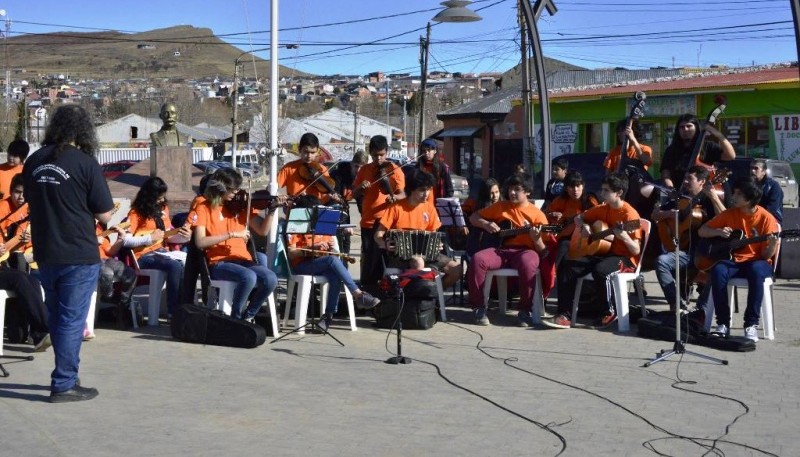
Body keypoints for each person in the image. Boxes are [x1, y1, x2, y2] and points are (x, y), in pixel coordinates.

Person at [22, 104, 116, 403]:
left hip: (46, 249)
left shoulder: (33, 161)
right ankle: (64, 383)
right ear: (84, 130)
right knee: (71, 320)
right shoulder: (86, 163)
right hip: (77, 251)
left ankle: (66, 377)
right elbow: (104, 214)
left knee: (58, 316)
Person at [543, 173, 644, 329]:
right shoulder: (602, 208)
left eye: (606, 190)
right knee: (568, 266)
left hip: (625, 258)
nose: (601, 193)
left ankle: (608, 312)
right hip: (604, 254)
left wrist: (625, 237)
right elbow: (578, 218)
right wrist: (586, 227)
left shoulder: (630, 215)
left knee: (601, 270)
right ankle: (564, 315)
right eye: (602, 189)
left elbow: (636, 249)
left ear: (618, 193)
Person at [193, 168, 282, 321]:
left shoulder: (240, 207)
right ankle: (236, 317)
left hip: (243, 259)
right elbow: (200, 242)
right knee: (248, 277)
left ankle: (249, 315)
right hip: (219, 262)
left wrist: (271, 212)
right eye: (232, 189)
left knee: (271, 278)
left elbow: (262, 231)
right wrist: (232, 234)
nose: (236, 192)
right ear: (220, 188)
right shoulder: (204, 208)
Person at [698, 177, 778, 342]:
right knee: (718, 270)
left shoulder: (766, 218)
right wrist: (718, 232)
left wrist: (771, 244)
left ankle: (751, 324)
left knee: (756, 271)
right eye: (734, 192)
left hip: (758, 262)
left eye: (738, 194)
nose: (733, 196)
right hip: (734, 261)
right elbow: (702, 231)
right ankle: (723, 324)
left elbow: (766, 256)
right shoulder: (730, 214)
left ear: (749, 200)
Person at [467, 173, 553, 326]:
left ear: (527, 192)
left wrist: (537, 239)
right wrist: (486, 224)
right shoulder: (501, 206)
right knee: (478, 259)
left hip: (525, 252)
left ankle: (525, 310)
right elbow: (473, 217)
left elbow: (544, 252)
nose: (512, 193)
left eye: (517, 189)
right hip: (500, 250)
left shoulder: (538, 215)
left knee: (529, 263)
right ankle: (478, 308)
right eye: (511, 189)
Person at [286, 195, 381, 331]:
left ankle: (327, 317)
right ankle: (359, 295)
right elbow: (291, 253)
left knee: (334, 275)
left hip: (319, 263)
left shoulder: (323, 225)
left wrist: (328, 248)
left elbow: (331, 251)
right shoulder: (296, 225)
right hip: (301, 265)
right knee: (332, 261)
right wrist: (312, 249)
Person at [651, 166, 725, 315]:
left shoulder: (710, 199)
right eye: (685, 178)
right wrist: (669, 214)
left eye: (689, 179)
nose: (684, 181)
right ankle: (677, 305)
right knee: (661, 261)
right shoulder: (682, 198)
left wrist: (714, 198)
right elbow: (655, 215)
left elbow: (726, 218)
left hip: (707, 253)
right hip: (685, 251)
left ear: (702, 181)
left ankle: (701, 310)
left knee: (718, 269)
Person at [374, 170, 462, 289]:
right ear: (411, 190)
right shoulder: (396, 208)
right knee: (418, 263)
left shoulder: (429, 209)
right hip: (401, 256)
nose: (426, 193)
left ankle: (433, 295)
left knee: (456, 269)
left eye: (428, 189)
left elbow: (433, 235)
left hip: (428, 255)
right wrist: (384, 243)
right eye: (422, 190)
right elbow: (378, 234)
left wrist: (437, 244)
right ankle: (419, 299)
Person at [124, 176, 191, 317]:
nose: (161, 200)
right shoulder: (136, 212)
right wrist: (149, 238)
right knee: (175, 266)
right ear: (149, 196)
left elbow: (168, 235)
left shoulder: (163, 209)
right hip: (143, 255)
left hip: (162, 251)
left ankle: (186, 306)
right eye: (158, 198)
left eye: (163, 197)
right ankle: (174, 311)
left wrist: (184, 236)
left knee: (187, 263)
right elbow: (126, 240)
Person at [352, 135, 406, 285]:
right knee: (369, 261)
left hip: (388, 223)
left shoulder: (394, 170)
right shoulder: (364, 170)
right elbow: (353, 194)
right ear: (370, 153)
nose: (379, 159)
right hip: (368, 222)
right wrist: (360, 187)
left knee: (386, 261)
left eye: (382, 155)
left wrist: (394, 197)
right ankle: (368, 292)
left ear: (387, 152)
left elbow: (403, 194)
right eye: (375, 156)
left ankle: (385, 292)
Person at [541, 171, 601, 297]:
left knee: (562, 247)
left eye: (578, 186)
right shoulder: (561, 200)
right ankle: (548, 280)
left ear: (583, 186)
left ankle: (549, 278)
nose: (575, 190)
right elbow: (543, 215)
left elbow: (598, 217)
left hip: (583, 240)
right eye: (571, 187)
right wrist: (551, 215)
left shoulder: (589, 200)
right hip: (564, 237)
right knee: (555, 246)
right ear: (566, 188)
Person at [660, 113, 735, 189]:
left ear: (696, 127)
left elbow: (730, 156)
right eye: (682, 127)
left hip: (704, 195)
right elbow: (666, 173)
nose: (685, 129)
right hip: (678, 193)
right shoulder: (672, 150)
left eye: (689, 126)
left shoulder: (708, 146)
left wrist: (718, 135)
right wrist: (670, 188)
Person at [277, 132, 341, 205]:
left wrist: (332, 196)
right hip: (295, 210)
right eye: (306, 152)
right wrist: (279, 194)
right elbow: (273, 187)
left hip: (316, 211)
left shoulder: (322, 169)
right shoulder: (288, 168)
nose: (309, 156)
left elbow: (325, 198)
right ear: (299, 149)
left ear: (317, 152)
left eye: (312, 152)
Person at [330, 150, 369, 255]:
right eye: (356, 166)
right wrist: (344, 224)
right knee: (337, 245)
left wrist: (366, 224)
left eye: (362, 167)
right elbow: (338, 199)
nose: (358, 170)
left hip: (344, 207)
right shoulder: (338, 174)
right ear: (351, 164)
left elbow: (362, 206)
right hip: (335, 208)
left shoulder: (364, 178)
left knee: (346, 246)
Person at [0, 173, 32, 269]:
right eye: (17, 192)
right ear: (10, 191)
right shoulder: (2, 208)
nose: (21, 197)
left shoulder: (30, 207)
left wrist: (26, 241)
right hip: (6, 255)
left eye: (24, 193)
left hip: (26, 253)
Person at [417, 138, 454, 203]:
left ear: (435, 151)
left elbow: (449, 189)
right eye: (424, 151)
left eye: (429, 150)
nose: (426, 153)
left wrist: (445, 203)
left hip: (438, 203)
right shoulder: (418, 167)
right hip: (421, 203)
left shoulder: (443, 167)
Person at [750, 159, 783, 223]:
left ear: (764, 172)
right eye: (751, 168)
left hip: (772, 221)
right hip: (752, 219)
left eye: (756, 168)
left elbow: (772, 208)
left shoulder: (773, 186)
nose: (752, 171)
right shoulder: (748, 184)